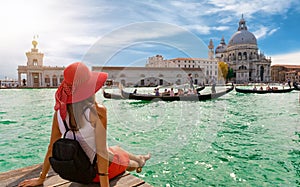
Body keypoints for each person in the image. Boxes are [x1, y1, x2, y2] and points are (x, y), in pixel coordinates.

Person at [18, 62, 150, 187]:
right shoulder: (97, 111)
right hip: (94, 174)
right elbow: (101, 152)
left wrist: (41, 178)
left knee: (116, 149)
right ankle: (140, 162)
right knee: (125, 161)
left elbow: (51, 147)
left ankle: (140, 157)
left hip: (74, 172)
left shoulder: (59, 113)